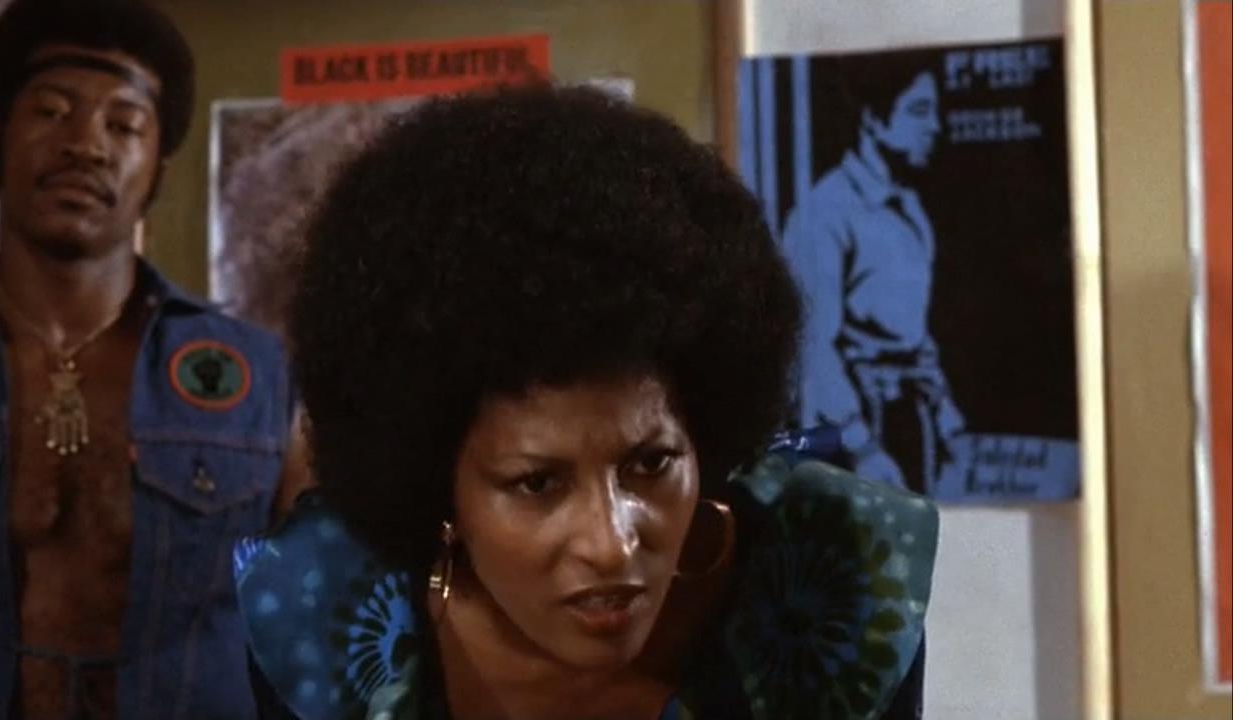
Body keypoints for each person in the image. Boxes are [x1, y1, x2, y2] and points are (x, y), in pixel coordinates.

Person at [234, 85, 937, 720]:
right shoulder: (320, 618)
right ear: (438, 490)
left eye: (650, 464)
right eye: (538, 483)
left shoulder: (841, 590)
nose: (611, 543)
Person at [0, 1, 310, 717]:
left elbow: (314, 627)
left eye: (124, 125)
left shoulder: (261, 378)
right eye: (51, 111)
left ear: (158, 172)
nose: (85, 144)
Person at [781, 60, 966, 494]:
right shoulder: (824, 213)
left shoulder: (910, 209)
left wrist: (945, 414)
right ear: (873, 120)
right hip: (850, 430)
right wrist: (861, 446)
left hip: (907, 420)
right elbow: (812, 347)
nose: (935, 127)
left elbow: (913, 333)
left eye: (935, 112)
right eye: (918, 111)